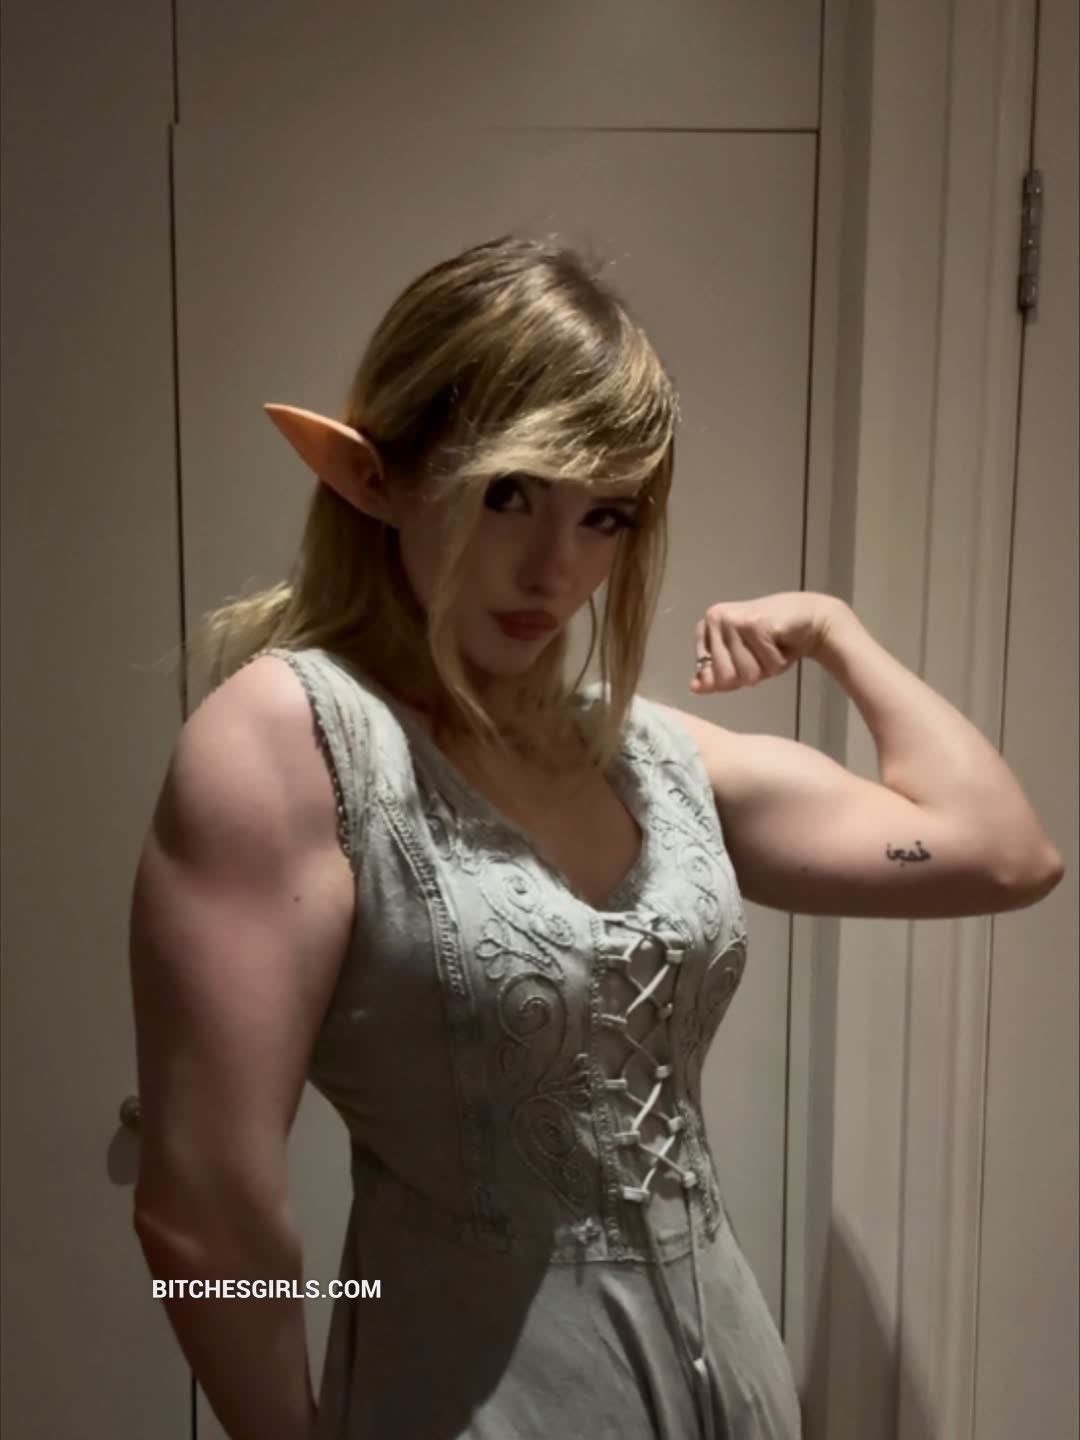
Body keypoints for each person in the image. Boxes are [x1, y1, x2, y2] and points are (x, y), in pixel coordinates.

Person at [129, 233, 1063, 1440]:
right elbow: (203, 1211)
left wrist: (836, 629)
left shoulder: (651, 760)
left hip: (734, 1392)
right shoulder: (288, 741)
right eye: (509, 495)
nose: (554, 568)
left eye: (605, 516)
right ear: (379, 480)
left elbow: (1001, 852)